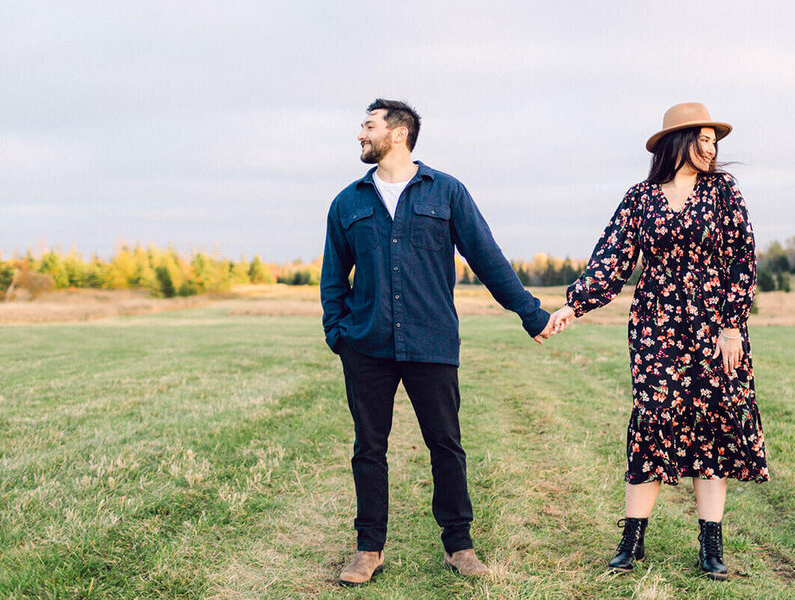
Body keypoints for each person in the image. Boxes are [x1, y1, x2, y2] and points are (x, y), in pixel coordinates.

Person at [320, 98, 554, 586]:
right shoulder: (347, 203)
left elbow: (487, 259)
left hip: (431, 341)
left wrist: (532, 315)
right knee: (369, 447)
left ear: (399, 133)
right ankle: (368, 549)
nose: (359, 135)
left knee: (445, 444)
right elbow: (332, 278)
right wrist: (338, 332)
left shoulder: (446, 192)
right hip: (366, 345)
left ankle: (459, 546)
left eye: (367, 126)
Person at [544, 102, 769, 580]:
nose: (711, 149)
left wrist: (732, 325)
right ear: (678, 142)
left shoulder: (724, 192)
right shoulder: (640, 198)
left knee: (713, 425)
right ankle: (632, 540)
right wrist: (572, 305)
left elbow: (741, 261)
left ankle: (711, 546)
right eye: (703, 139)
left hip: (714, 325)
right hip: (655, 325)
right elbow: (611, 261)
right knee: (652, 420)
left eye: (714, 141)